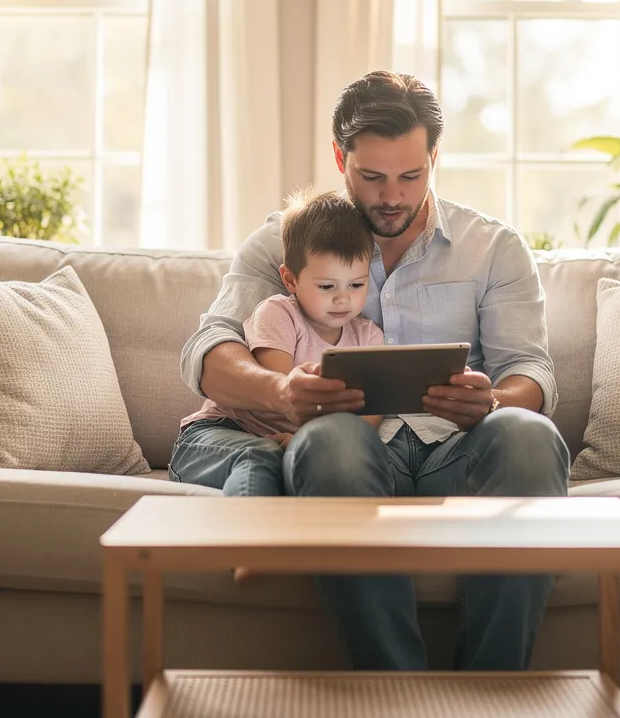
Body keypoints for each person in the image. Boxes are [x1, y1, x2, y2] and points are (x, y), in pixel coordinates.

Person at [173, 70, 570, 671]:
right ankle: (396, 694)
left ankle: (494, 691)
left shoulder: (493, 248)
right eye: (372, 176)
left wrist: (492, 402)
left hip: (454, 453)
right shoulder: (286, 243)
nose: (392, 195)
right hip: (346, 459)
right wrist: (283, 391)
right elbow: (208, 349)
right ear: (340, 158)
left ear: (435, 157)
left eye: (411, 176)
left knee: (530, 434)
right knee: (333, 436)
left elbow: (531, 370)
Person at [171, 189, 384, 499]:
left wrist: (306, 442)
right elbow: (281, 395)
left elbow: (369, 415)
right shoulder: (279, 313)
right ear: (291, 280)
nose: (343, 298)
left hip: (290, 441)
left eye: (357, 284)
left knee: (288, 461)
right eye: (327, 286)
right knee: (260, 456)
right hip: (221, 432)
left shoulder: (368, 336)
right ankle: (251, 546)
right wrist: (299, 438)